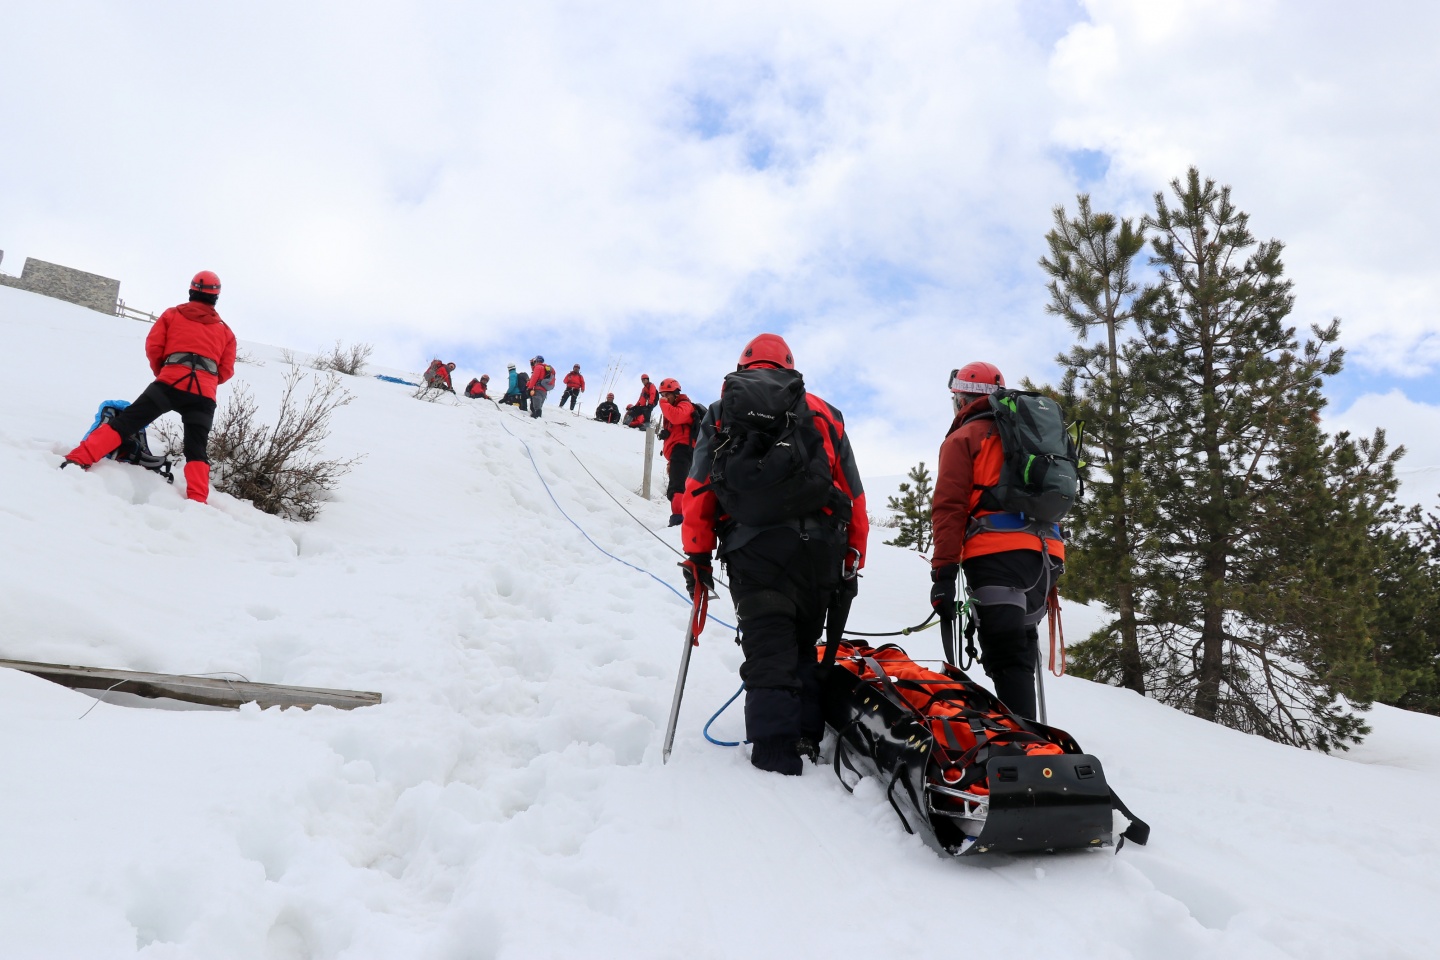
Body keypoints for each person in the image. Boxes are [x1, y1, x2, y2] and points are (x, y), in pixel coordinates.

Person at [681, 333, 868, 775]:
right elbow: (852, 490)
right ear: (789, 366)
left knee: (768, 646)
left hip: (754, 547)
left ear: (743, 366)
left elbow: (699, 488)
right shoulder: (822, 411)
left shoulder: (723, 409)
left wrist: (697, 554)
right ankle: (805, 736)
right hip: (820, 548)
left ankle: (774, 754)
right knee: (803, 644)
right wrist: (855, 551)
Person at [928, 362, 1065, 720]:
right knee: (1018, 649)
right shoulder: (1026, 433)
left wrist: (943, 571)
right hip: (1046, 555)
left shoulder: (964, 438)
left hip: (996, 553)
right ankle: (1031, 740)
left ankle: (1025, 747)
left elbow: (950, 507)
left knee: (1005, 653)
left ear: (962, 399)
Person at [61, 270, 236, 504]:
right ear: (216, 297)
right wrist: (207, 382)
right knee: (197, 449)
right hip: (203, 396)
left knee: (125, 424)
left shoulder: (172, 315)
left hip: (168, 384)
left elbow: (154, 347)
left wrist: (164, 372)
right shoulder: (225, 332)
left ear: (191, 291)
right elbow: (225, 370)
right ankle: (197, 500)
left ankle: (78, 459)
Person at [656, 378, 696, 527]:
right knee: (680, 484)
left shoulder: (685, 405)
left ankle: (678, 520)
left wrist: (663, 403)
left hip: (683, 449)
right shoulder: (675, 406)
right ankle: (682, 517)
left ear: (676, 394)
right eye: (662, 395)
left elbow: (676, 416)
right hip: (680, 452)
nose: (664, 398)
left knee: (677, 486)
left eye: (667, 394)